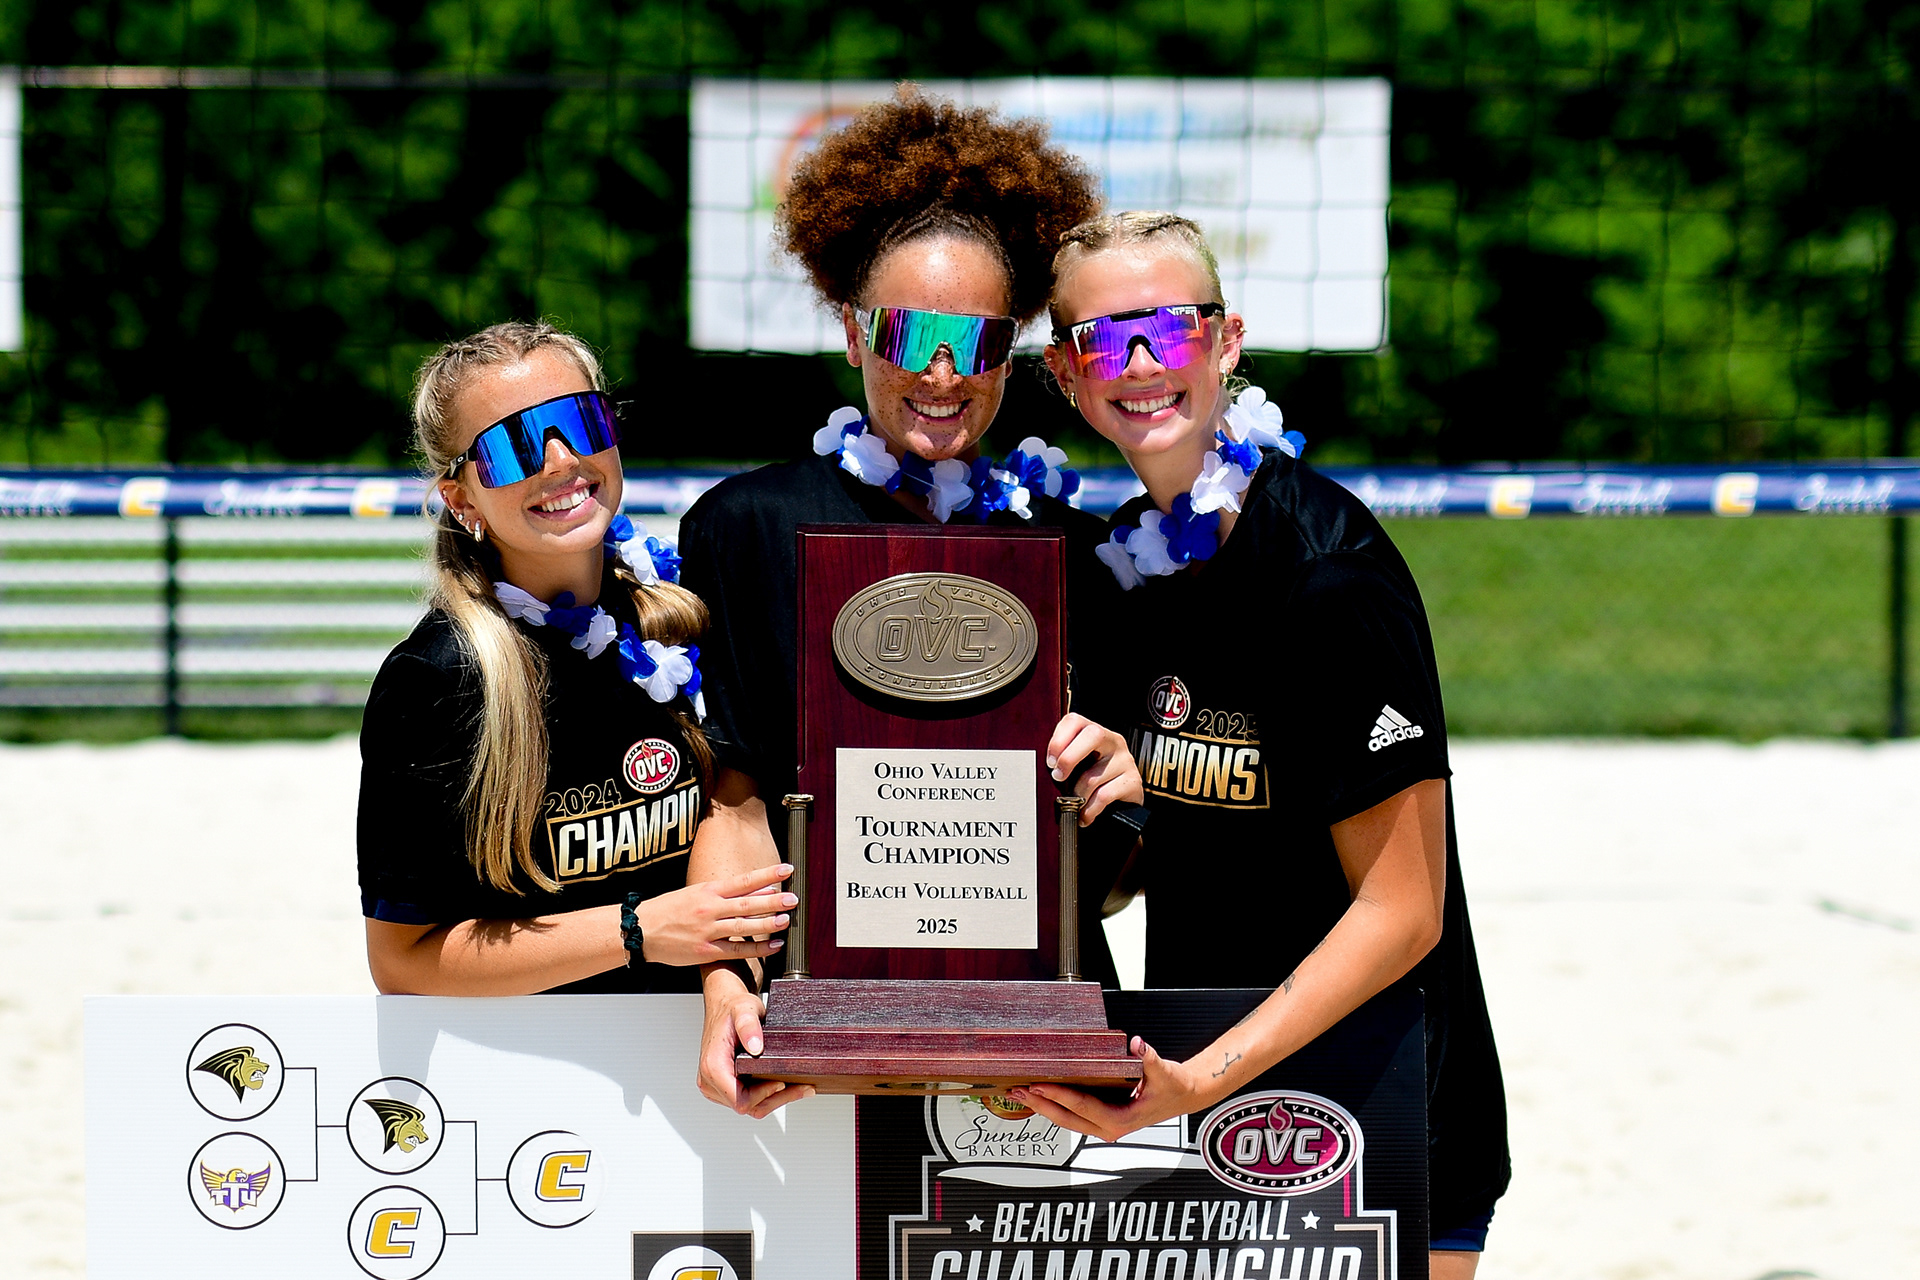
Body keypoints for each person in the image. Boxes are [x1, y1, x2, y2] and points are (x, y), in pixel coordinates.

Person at [1014, 212, 1510, 1275]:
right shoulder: (1130, 575)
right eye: (1102, 340)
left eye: (1169, 329)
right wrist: (1116, 811)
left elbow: (1403, 912)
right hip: (1212, 1096)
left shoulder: (1328, 574)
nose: (1139, 363)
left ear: (1227, 340)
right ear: (1064, 374)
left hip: (1382, 1103)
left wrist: (1202, 1077)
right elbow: (1144, 875)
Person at [680, 90, 1145, 1117]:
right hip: (812, 1028)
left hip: (1035, 1044)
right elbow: (734, 796)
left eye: (978, 341)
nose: (943, 371)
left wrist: (1129, 791)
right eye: (911, 332)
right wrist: (726, 985)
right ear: (854, 333)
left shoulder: (1078, 551)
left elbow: (1114, 882)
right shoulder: (745, 527)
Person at [357, 321, 795, 996]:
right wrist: (640, 929)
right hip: (541, 1051)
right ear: (462, 499)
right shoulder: (436, 679)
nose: (560, 459)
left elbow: (740, 815)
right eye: (512, 445)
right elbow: (402, 961)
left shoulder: (684, 614)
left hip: (705, 1033)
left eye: (581, 421)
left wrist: (727, 976)